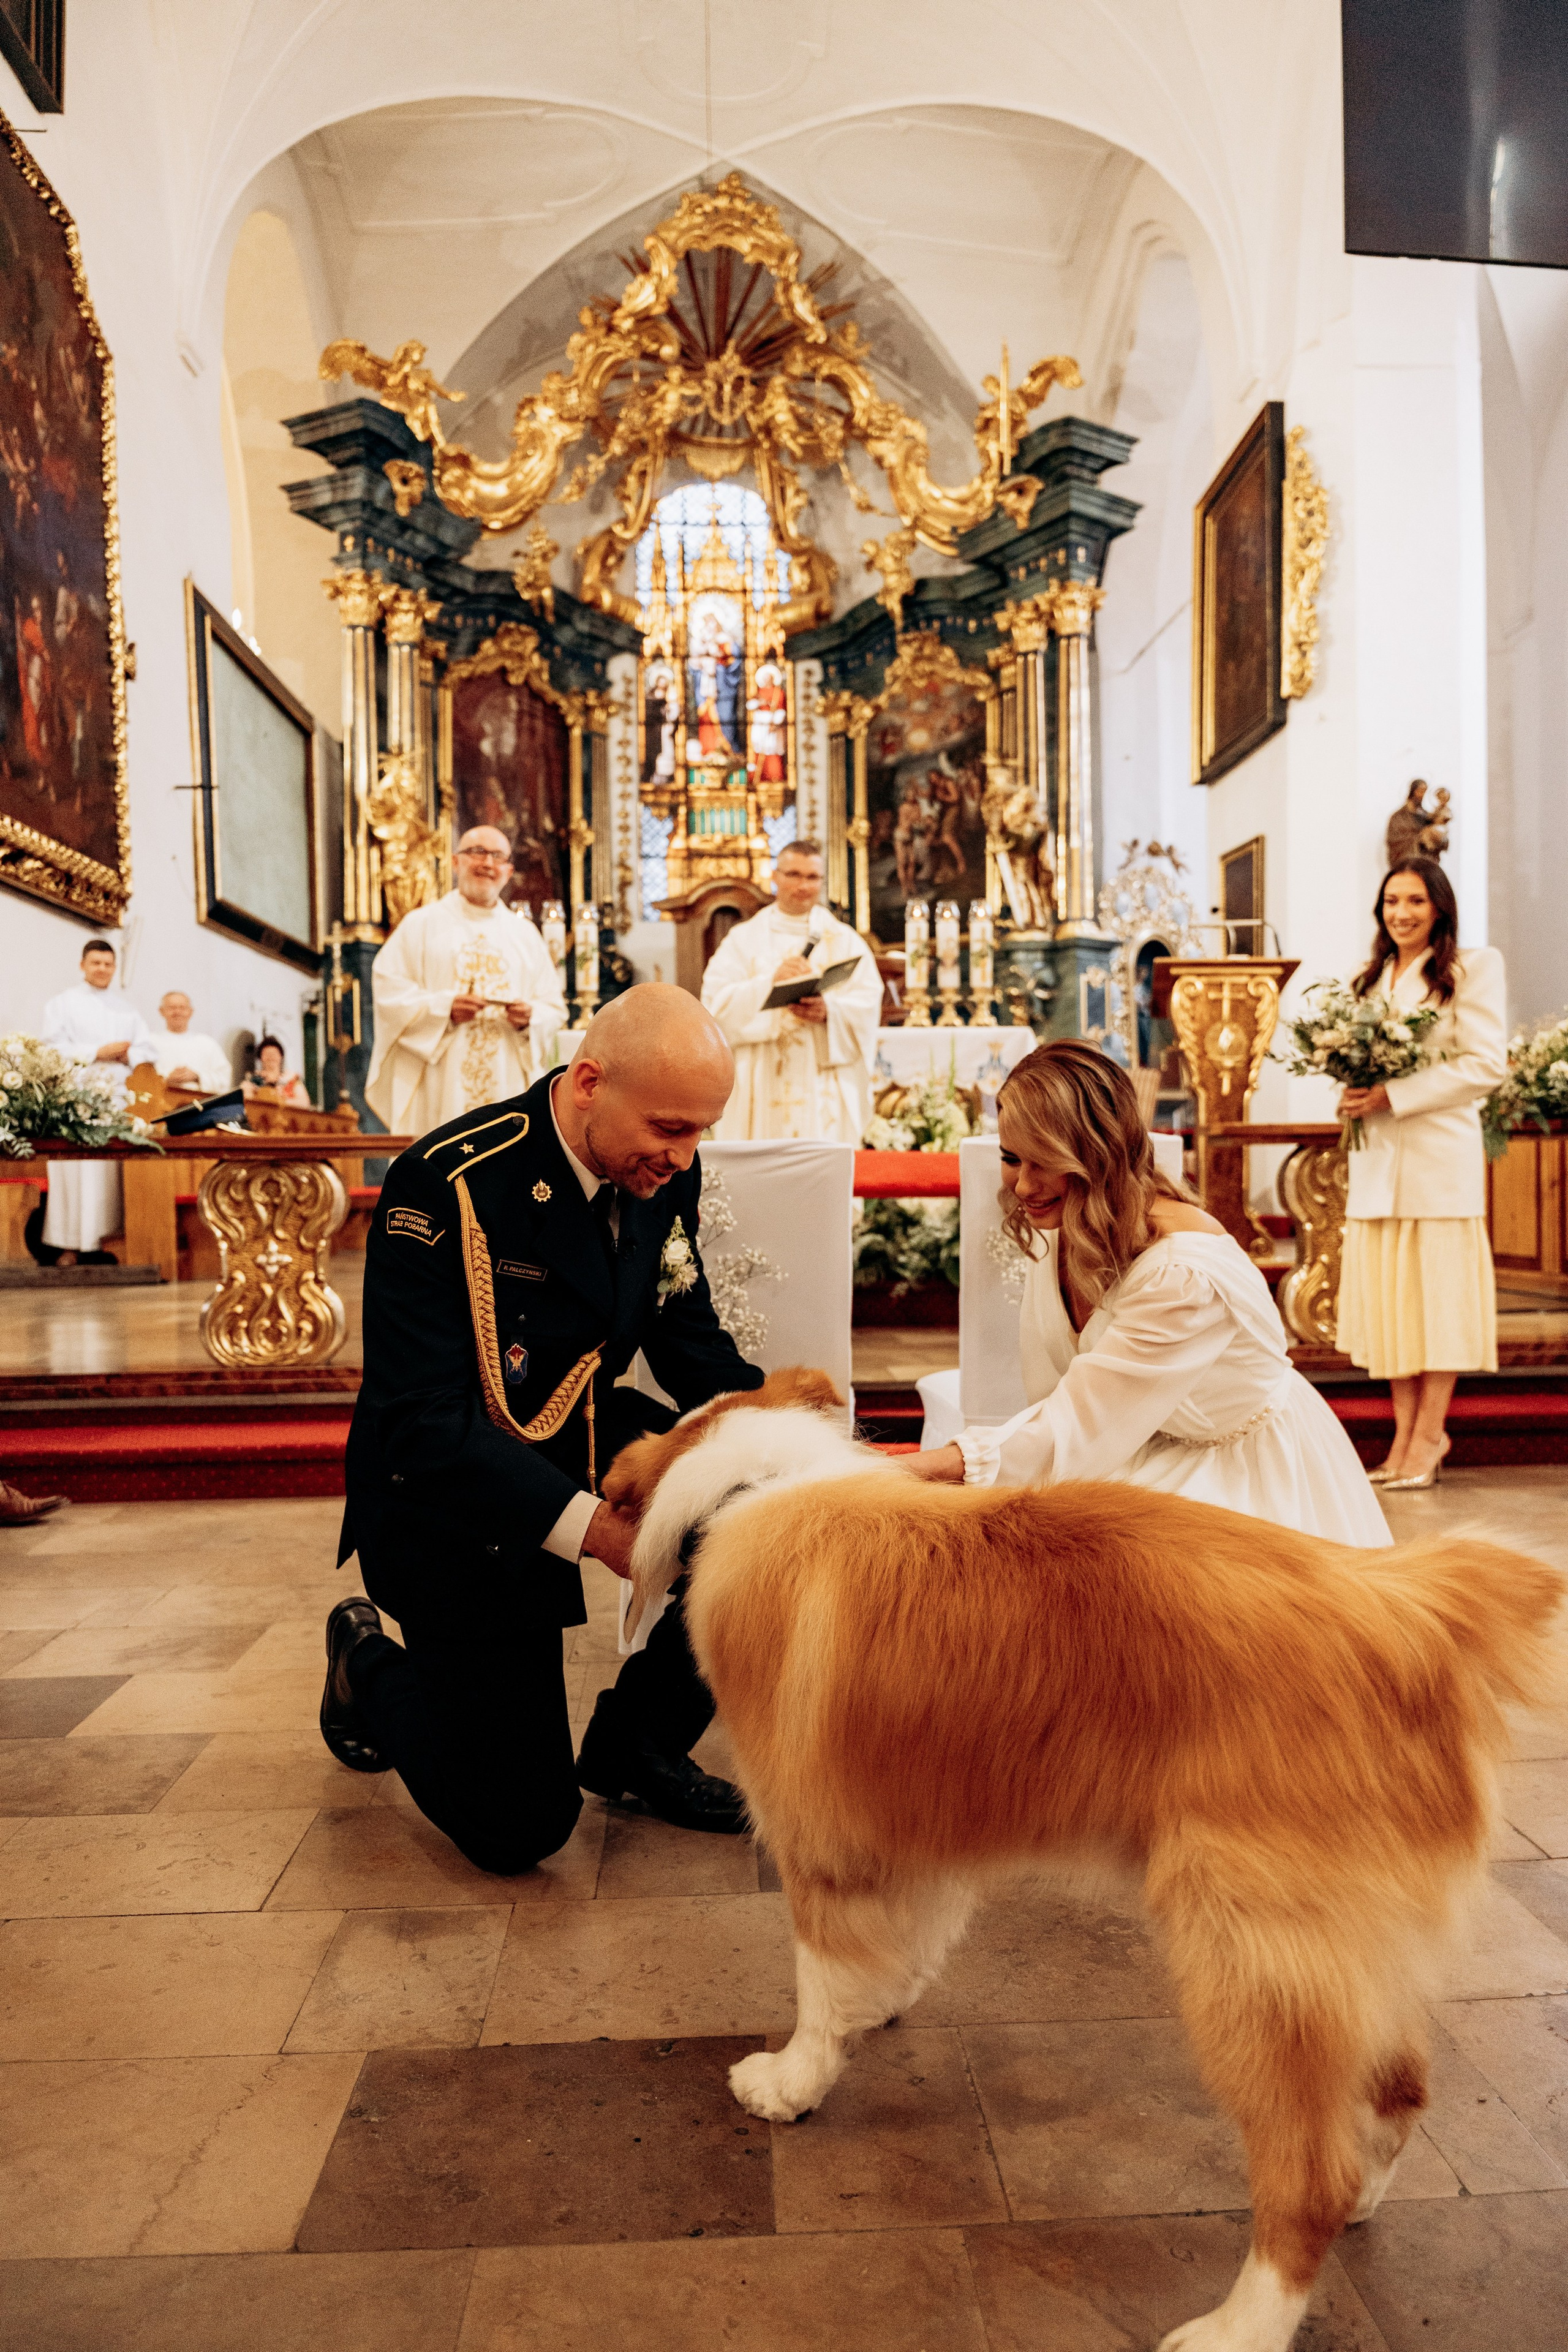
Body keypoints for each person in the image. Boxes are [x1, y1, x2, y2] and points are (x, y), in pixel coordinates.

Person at [320, 983, 766, 1875]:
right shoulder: (446, 1183)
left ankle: (638, 1741)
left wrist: (785, 1442)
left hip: (584, 1427)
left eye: (701, 1133)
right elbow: (424, 1422)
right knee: (520, 1827)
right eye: (671, 1129)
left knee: (758, 1505)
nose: (684, 1156)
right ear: (591, 1082)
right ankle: (363, 1662)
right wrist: (595, 1531)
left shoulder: (663, 1171)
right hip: (450, 1492)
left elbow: (687, 1336)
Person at [904, 1040, 1390, 1547]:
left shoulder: (1182, 1277)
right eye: (1011, 1158)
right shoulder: (1065, 1225)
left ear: (1101, 1155)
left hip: (1245, 1473)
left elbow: (1077, 1425)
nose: (1024, 1187)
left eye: (1045, 1162)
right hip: (1134, 1445)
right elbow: (1061, 1400)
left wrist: (903, 1472)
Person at [1336, 858, 1507, 1490]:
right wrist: (1355, 1095)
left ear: (1438, 906)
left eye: (1413, 900)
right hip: (1378, 1161)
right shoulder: (1371, 979)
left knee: (1435, 1305)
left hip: (1438, 1159)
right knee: (1393, 1309)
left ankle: (1429, 1435)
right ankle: (1404, 1440)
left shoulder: (1472, 968)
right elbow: (1363, 1064)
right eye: (1390, 901)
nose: (1400, 912)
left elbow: (1486, 1065)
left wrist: (1394, 1095)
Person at [364, 825, 566, 1140]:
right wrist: (444, 1009)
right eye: (477, 852)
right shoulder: (421, 925)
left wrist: (531, 1019)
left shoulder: (525, 935)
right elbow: (390, 991)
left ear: (508, 871)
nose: (487, 863)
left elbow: (554, 1007)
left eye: (497, 856)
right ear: (456, 862)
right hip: (442, 1083)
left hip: (508, 1078)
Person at [701, 838, 882, 1142]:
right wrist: (770, 984)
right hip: (761, 1076)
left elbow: (867, 1002)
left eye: (812, 877)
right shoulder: (743, 939)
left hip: (821, 1083)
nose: (803, 885)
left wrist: (829, 1012)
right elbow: (714, 1006)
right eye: (793, 875)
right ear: (775, 877)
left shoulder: (844, 939)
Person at [40, 940, 153, 1266]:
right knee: (78, 1171)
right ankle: (70, 1246)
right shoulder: (61, 1004)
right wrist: (96, 1053)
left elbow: (148, 1051)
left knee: (111, 1172)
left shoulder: (126, 1009)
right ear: (83, 965)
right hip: (77, 1097)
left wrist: (128, 1053)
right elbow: (51, 1049)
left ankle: (113, 1239)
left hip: (117, 1099)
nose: (102, 969)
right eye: (96, 963)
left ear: (114, 968)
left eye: (108, 964)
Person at [146, 992, 232, 1094]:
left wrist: (197, 1077)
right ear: (162, 1011)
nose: (177, 1012)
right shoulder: (149, 1042)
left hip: (201, 1106)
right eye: (172, 1008)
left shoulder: (207, 1044)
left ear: (191, 1012)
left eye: (182, 1008)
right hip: (161, 1105)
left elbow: (224, 1079)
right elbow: (138, 1079)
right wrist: (165, 1079)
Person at [243, 1036, 311, 1108]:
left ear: (281, 1057)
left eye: (274, 1053)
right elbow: (247, 1103)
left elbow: (305, 1103)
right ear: (261, 1058)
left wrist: (281, 1101)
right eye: (267, 1054)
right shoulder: (253, 1081)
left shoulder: (291, 1079)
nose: (271, 1057)